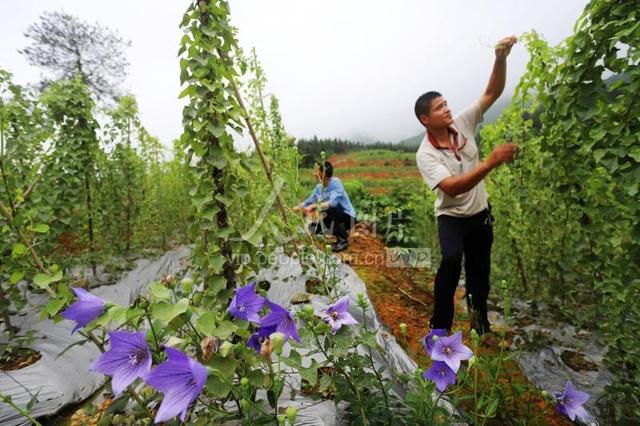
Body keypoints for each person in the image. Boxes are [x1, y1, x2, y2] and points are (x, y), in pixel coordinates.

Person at [415, 36, 519, 335]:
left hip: (480, 214)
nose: (447, 109)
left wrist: (500, 58)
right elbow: (452, 188)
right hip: (451, 218)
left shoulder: (462, 123)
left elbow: (492, 92)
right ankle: (440, 326)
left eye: (446, 103)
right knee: (450, 260)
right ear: (426, 119)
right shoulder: (425, 153)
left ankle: (480, 324)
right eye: (439, 108)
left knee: (479, 273)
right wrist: (490, 162)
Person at [292, 161, 356, 252]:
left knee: (331, 209)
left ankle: (343, 241)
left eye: (317, 171)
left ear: (323, 173)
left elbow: (332, 203)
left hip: (347, 217)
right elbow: (308, 201)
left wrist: (313, 206)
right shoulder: (319, 188)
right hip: (332, 218)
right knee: (312, 228)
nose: (315, 173)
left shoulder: (335, 183)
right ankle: (338, 234)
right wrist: (295, 208)